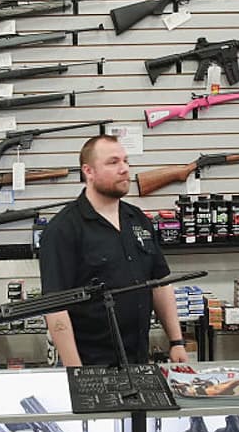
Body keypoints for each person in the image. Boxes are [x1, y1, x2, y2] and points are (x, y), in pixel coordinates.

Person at [38, 134, 188, 366]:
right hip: (90, 364)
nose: (124, 169)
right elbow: (55, 308)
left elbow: (159, 283)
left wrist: (176, 341)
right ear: (88, 171)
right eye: (113, 162)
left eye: (126, 161)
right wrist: (76, 372)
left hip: (139, 359)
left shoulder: (138, 219)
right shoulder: (62, 230)